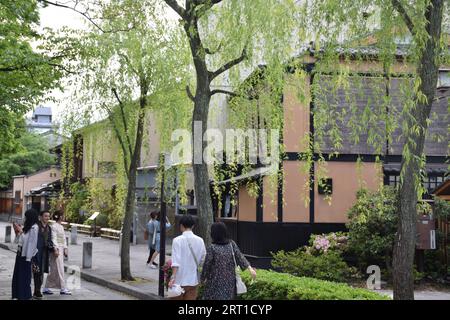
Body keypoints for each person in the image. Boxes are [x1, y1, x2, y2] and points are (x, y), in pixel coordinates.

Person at [200, 222, 257, 300]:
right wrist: (250, 269)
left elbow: (207, 265)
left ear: (214, 234)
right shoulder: (231, 244)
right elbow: (240, 257)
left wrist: (202, 279)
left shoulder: (212, 248)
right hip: (229, 281)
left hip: (214, 282)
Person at [168, 214, 206, 300]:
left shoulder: (177, 240)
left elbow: (175, 261)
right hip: (193, 281)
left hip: (178, 281)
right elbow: (203, 259)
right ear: (193, 226)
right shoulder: (200, 240)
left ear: (181, 226)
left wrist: (172, 277)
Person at [11, 209, 39, 300]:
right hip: (20, 253)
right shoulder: (28, 226)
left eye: (26, 217)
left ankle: (25, 295)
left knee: (24, 277)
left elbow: (31, 243)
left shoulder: (34, 227)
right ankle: (17, 294)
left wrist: (28, 258)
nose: (25, 218)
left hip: (26, 255)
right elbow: (20, 240)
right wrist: (18, 231)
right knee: (17, 275)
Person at [43, 211, 71, 295]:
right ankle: (63, 288)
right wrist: (55, 248)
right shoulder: (54, 227)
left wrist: (65, 248)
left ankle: (46, 287)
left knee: (55, 270)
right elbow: (53, 238)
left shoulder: (60, 227)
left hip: (60, 249)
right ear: (59, 217)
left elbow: (62, 239)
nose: (63, 217)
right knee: (59, 269)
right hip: (57, 250)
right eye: (62, 215)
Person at [33, 210, 55, 299]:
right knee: (36, 271)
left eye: (48, 216)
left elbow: (50, 240)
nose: (47, 218)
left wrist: (52, 247)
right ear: (41, 217)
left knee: (41, 272)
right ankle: (36, 290)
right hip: (36, 252)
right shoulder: (36, 226)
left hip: (45, 253)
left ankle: (37, 290)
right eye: (45, 216)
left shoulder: (49, 228)